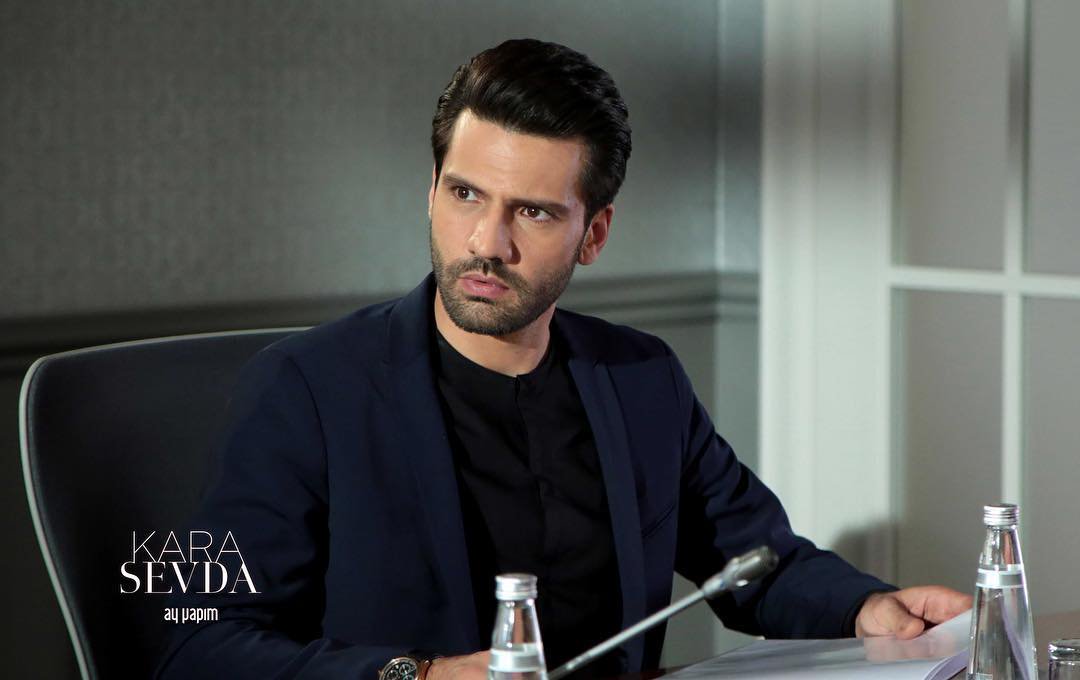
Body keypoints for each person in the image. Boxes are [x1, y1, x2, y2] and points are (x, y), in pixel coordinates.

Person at [156, 38, 971, 680]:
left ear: (594, 233)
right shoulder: (306, 388)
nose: (487, 241)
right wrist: (417, 675)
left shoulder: (641, 378)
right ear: (431, 190)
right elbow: (199, 644)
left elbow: (757, 562)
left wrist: (868, 608)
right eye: (465, 194)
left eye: (535, 213)